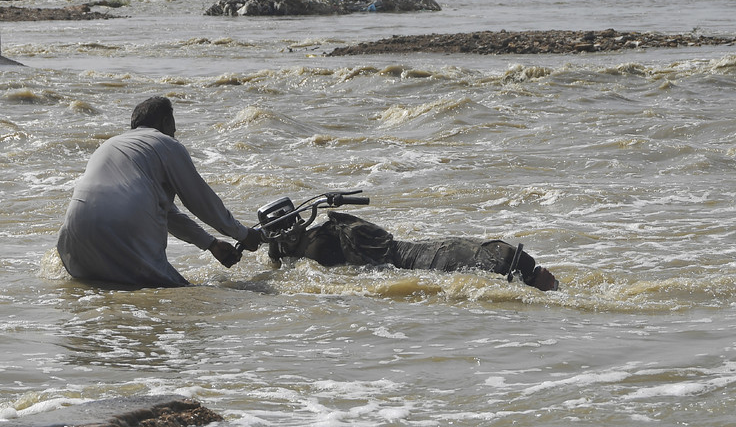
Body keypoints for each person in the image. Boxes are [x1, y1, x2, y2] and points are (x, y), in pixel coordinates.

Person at [56, 96, 261, 287]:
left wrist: (211, 244)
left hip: (73, 238)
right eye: (173, 128)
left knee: (104, 297)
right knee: (182, 294)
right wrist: (242, 234)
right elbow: (201, 201)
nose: (174, 134)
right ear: (165, 122)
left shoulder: (109, 145)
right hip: (124, 230)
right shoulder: (166, 144)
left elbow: (168, 215)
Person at [269, 210, 559, 291]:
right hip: (445, 248)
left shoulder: (318, 246)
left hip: (429, 261)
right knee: (525, 273)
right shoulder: (337, 226)